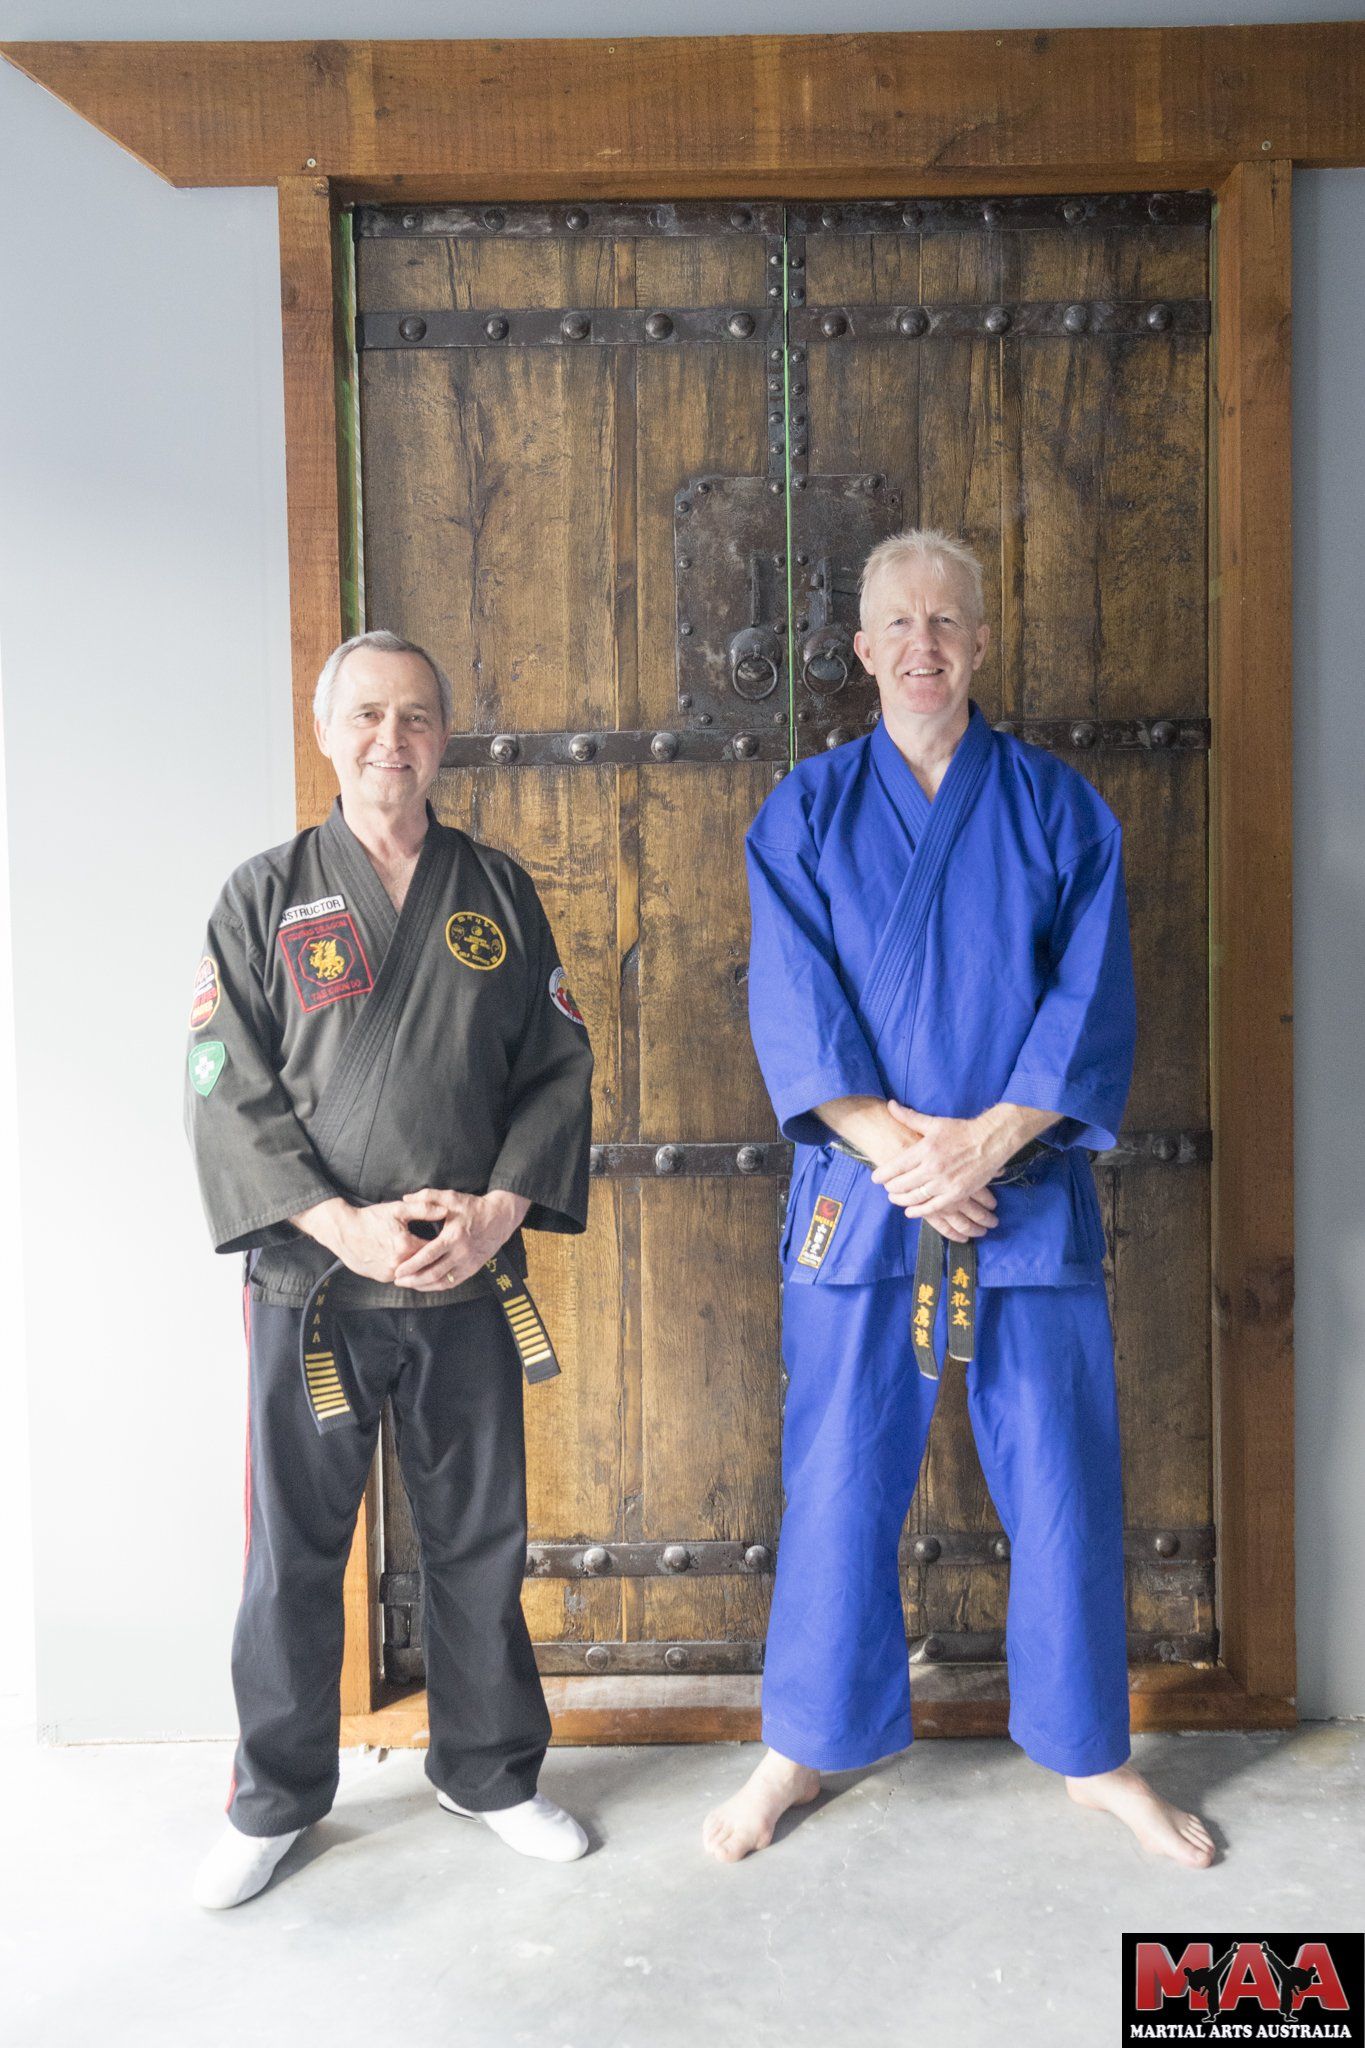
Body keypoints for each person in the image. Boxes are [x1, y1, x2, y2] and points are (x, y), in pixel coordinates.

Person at [702, 529, 1215, 1870]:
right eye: (896, 625)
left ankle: (1093, 1754)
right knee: (837, 1470)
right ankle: (803, 1744)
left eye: (947, 622)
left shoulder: (1059, 811)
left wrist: (981, 1146)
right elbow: (793, 1009)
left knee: (1057, 1471)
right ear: (861, 650)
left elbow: (1088, 1000)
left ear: (981, 643)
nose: (922, 646)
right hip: (864, 1192)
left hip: (1019, 1188)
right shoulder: (802, 813)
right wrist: (906, 1157)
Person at [186, 629, 595, 1909]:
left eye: (416, 717)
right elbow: (224, 1089)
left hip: (465, 1281)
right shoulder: (262, 896)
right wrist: (337, 1223)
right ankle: (272, 1796)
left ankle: (488, 1769)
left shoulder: (496, 889)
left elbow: (555, 1067)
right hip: (314, 1286)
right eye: (367, 715)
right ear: (326, 731)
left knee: (478, 1537)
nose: (391, 740)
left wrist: (500, 1208)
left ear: (442, 737)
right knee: (294, 1550)